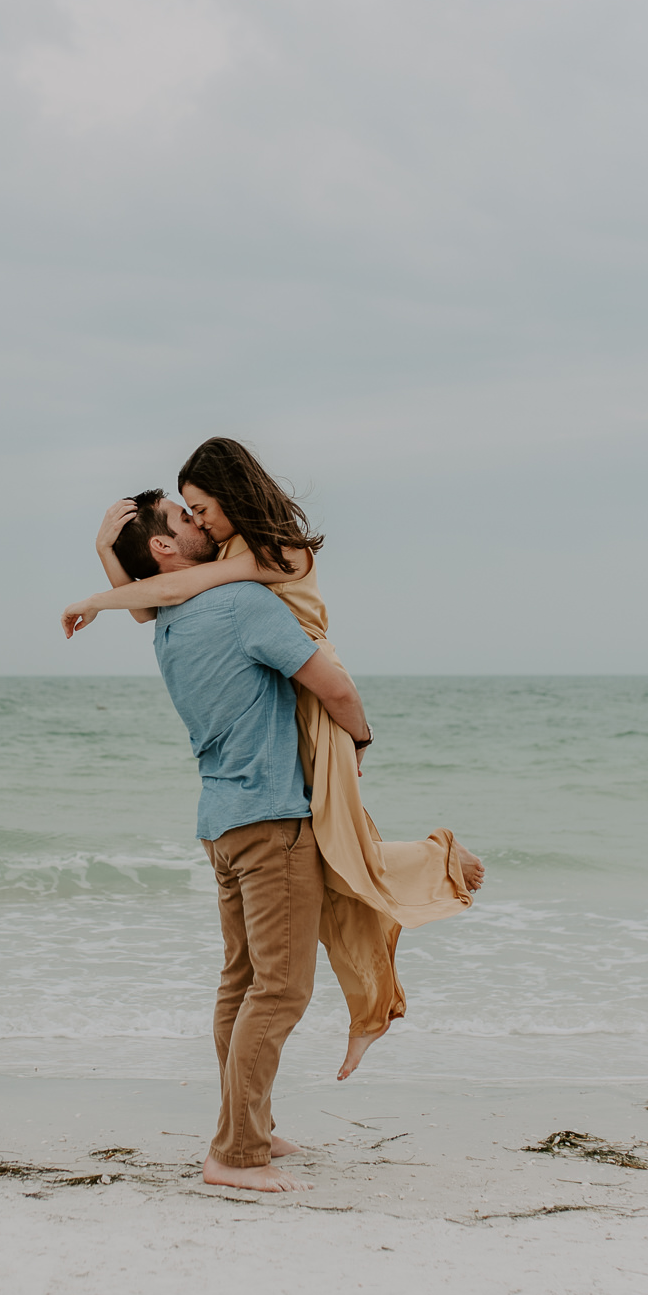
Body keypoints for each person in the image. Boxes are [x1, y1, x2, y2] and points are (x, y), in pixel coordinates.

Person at [62, 440, 485, 1080]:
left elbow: (176, 587)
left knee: (338, 856)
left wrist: (99, 593)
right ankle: (421, 905)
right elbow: (163, 593)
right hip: (296, 692)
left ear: (232, 498)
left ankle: (408, 930)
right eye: (189, 514)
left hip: (305, 689)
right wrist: (105, 562)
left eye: (201, 508)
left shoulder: (277, 554)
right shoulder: (220, 579)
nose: (198, 520)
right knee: (339, 863)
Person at [98, 490, 375, 1193]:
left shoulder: (166, 623)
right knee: (280, 991)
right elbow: (333, 688)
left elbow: (137, 597)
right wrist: (361, 743)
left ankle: (250, 1126)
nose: (199, 523)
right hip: (274, 821)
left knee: (243, 983)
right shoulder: (243, 606)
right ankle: (236, 1154)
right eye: (183, 519)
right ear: (164, 548)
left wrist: (108, 552)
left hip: (221, 823)